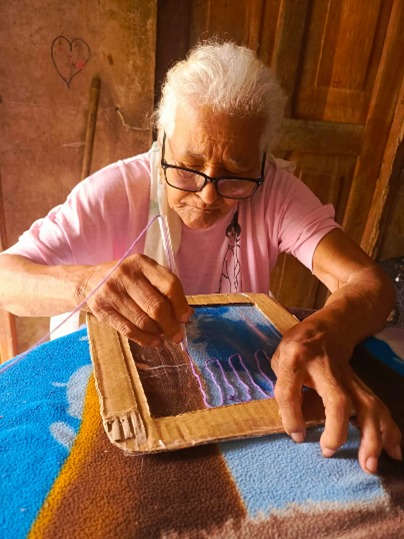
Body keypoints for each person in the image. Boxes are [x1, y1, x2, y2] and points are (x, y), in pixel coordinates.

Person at [0, 41, 401, 474]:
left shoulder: (274, 192)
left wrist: (327, 332)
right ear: (163, 142)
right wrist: (85, 284)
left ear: (260, 162)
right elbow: (6, 276)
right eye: (188, 167)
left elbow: (370, 284)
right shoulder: (115, 192)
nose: (209, 195)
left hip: (228, 384)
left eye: (235, 174)